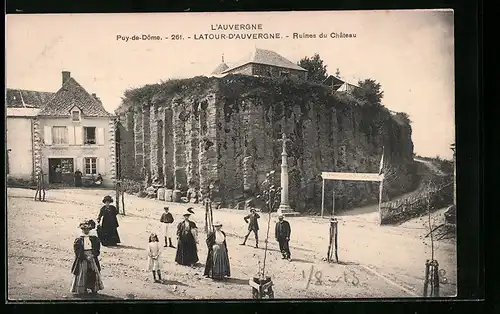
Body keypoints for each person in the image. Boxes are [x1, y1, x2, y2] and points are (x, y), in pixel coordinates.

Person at [70, 219, 104, 295]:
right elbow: (77, 251)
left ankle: (94, 288)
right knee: (82, 272)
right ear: (82, 230)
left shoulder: (94, 238)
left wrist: (93, 255)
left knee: (94, 272)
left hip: (92, 257)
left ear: (90, 229)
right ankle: (82, 289)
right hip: (83, 258)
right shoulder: (79, 239)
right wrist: (84, 257)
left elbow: (97, 248)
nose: (86, 231)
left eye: (88, 229)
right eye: (84, 229)